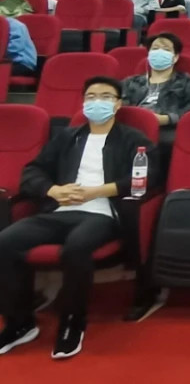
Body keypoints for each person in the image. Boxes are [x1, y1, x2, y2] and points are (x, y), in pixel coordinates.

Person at [0, 76, 156, 359]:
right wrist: (54, 190)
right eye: (91, 97)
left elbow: (146, 178)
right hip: (60, 210)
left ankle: (72, 322)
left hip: (102, 213)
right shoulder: (67, 137)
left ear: (118, 104)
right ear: (83, 103)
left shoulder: (133, 139)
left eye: (105, 97)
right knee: (6, 241)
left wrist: (96, 191)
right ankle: (20, 322)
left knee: (77, 247)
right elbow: (33, 171)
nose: (97, 102)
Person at [121, 33, 190, 161]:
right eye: (155, 48)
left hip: (167, 130)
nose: (159, 52)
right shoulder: (131, 82)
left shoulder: (187, 82)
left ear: (175, 57)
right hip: (133, 128)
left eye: (166, 49)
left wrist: (167, 119)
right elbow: (119, 103)